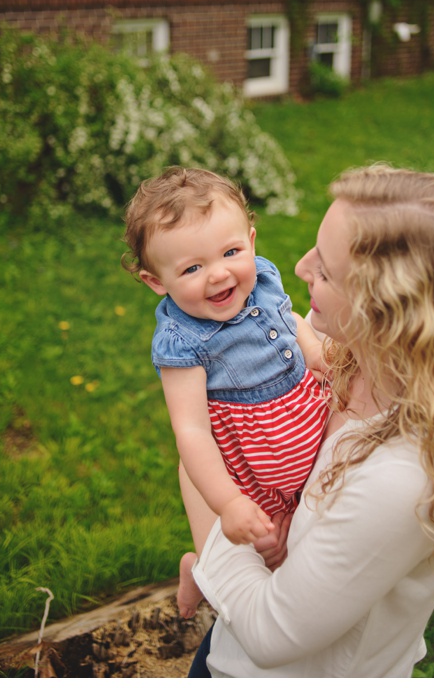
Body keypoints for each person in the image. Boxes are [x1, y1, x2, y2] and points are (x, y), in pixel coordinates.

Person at [187, 164, 434, 677]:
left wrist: (199, 471)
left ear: (389, 311)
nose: (298, 267)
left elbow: (273, 634)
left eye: (325, 271)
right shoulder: (349, 357)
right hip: (228, 642)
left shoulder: (405, 478)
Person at [122, 167, 330, 619]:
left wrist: (311, 346)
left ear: (252, 243)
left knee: (307, 549)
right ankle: (201, 570)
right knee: (261, 565)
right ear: (157, 281)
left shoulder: (261, 278)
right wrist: (230, 504)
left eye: (231, 252)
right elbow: (193, 431)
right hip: (250, 475)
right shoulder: (182, 340)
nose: (219, 275)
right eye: (193, 268)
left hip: (303, 445)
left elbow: (286, 318)